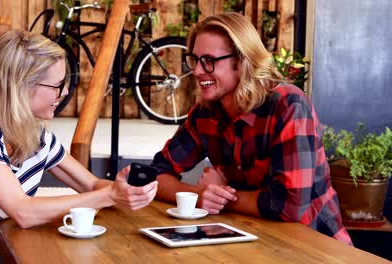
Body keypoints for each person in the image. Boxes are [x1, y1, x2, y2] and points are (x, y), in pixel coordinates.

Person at [0, 30, 158, 263]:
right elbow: (23, 211)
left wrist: (125, 191)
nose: (65, 92)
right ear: (21, 85)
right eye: (57, 85)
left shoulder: (37, 136)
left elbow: (91, 184)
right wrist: (110, 195)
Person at [151, 12, 352, 245]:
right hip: (249, 240)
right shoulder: (204, 114)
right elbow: (155, 175)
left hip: (316, 246)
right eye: (195, 59)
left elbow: (289, 206)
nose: (196, 71)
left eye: (209, 60)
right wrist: (200, 196)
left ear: (242, 61)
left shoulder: (288, 105)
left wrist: (223, 194)